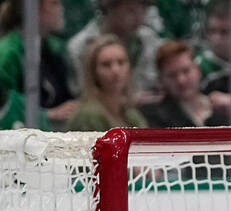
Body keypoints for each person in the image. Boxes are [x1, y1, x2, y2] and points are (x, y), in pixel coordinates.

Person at [0, 0, 77, 128]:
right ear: (34, 9)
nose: (61, 9)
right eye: (54, 3)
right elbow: (5, 106)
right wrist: (46, 115)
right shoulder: (7, 54)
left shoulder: (55, 47)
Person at [67, 0, 161, 104]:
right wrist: (127, 100)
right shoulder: (81, 46)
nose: (139, 17)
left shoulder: (147, 39)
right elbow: (83, 96)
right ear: (110, 8)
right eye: (130, 10)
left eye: (143, 9)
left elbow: (155, 82)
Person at [140, 40, 228, 127]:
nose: (181, 81)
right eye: (172, 75)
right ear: (161, 80)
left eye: (186, 71)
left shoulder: (222, 102)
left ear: (198, 69)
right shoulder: (156, 116)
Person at [66, 34, 146, 129]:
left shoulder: (131, 114)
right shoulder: (88, 116)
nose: (115, 70)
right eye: (106, 64)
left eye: (121, 62)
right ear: (93, 72)